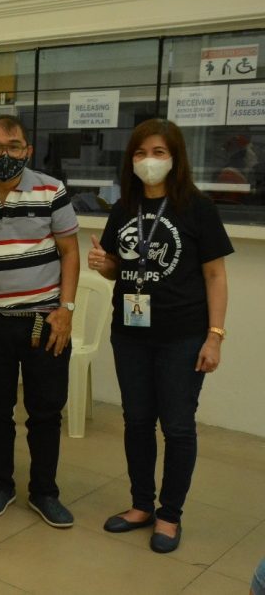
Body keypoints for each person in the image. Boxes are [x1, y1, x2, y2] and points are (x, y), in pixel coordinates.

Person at [89, 119, 231, 554]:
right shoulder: (123, 208)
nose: (148, 161)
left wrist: (215, 336)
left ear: (174, 158)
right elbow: (120, 267)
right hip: (130, 333)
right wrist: (102, 263)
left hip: (183, 336)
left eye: (157, 152)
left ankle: (170, 514)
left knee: (178, 427)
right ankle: (140, 505)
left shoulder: (197, 208)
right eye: (139, 153)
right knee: (135, 423)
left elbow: (215, 275)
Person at [0, 114, 80, 529]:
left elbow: (70, 253)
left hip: (44, 319)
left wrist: (66, 309)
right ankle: (1, 484)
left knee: (45, 411)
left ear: (27, 150)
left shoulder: (51, 189)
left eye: (13, 146)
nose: (3, 155)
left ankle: (45, 491)